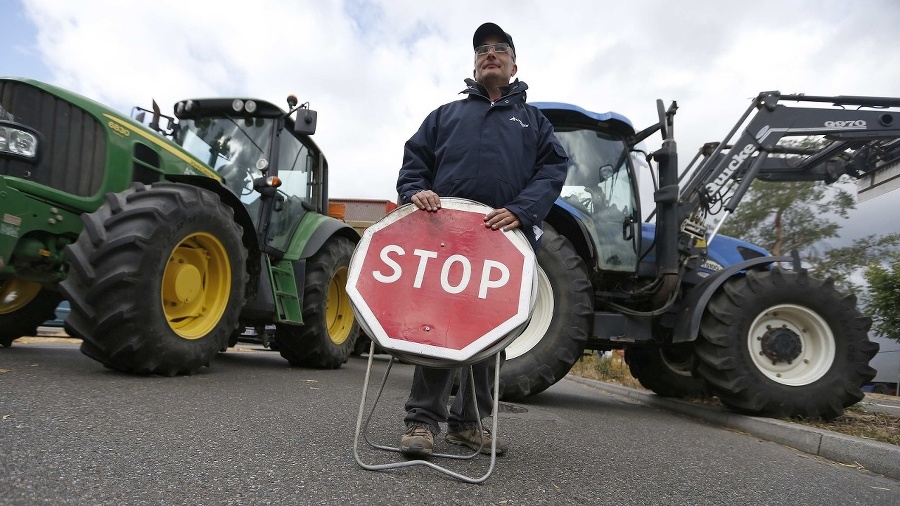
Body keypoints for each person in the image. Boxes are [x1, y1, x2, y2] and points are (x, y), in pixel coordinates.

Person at [395, 22, 568, 457]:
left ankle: (468, 425)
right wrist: (416, 192)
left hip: (503, 245)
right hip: (445, 244)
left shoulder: (534, 123)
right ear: (474, 65)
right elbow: (415, 162)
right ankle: (421, 423)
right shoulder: (445, 116)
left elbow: (552, 170)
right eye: (482, 51)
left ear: (513, 64)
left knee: (493, 334)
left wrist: (522, 210)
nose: (490, 54)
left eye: (499, 49)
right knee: (437, 330)